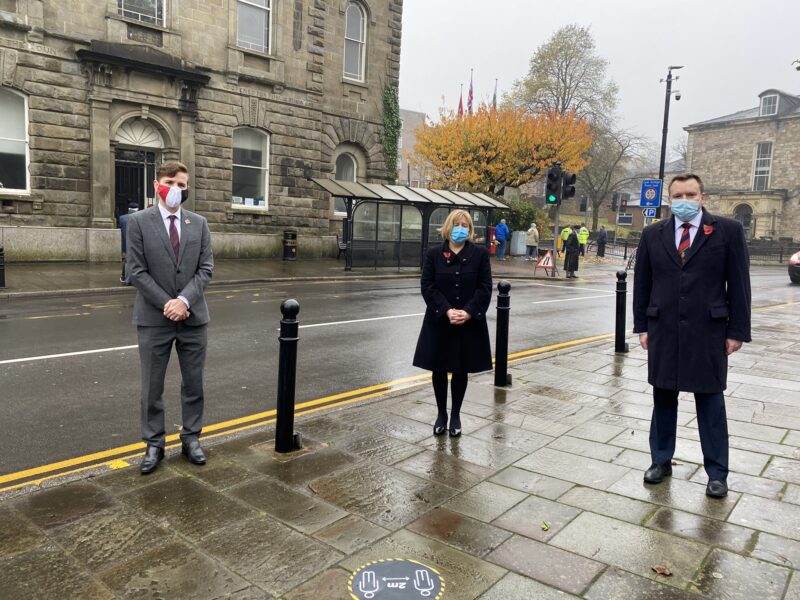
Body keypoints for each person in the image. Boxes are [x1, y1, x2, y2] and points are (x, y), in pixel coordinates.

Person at [633, 174, 751, 499]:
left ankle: (716, 472)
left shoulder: (727, 231)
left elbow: (739, 285)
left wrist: (738, 331)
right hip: (663, 330)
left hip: (709, 331)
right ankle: (660, 460)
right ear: (669, 199)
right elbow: (642, 283)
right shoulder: (652, 234)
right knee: (663, 396)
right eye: (678, 195)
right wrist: (641, 326)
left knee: (710, 401)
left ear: (702, 196)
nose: (684, 200)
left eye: (690, 194)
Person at [126, 161, 214, 474]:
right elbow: (135, 271)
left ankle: (192, 438)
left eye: (182, 184)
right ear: (156, 184)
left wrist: (185, 300)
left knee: (194, 384)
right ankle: (154, 443)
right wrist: (169, 303)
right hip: (154, 319)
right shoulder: (138, 222)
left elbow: (206, 269)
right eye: (170, 182)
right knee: (152, 386)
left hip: (193, 318)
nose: (176, 189)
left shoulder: (199, 223)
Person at [413, 209, 492, 438]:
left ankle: (455, 414)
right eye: (457, 224)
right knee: (439, 369)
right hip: (440, 321)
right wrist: (446, 310)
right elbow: (428, 286)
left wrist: (468, 312)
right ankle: (441, 414)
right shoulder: (434, 254)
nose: (461, 229)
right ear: (448, 227)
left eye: (465, 225)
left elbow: (485, 287)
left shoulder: (479, 254)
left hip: (467, 323)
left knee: (460, 369)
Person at [118, 200, 139, 284]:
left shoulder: (122, 218)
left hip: (125, 244)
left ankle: (124, 277)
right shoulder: (139, 217)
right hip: (136, 244)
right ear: (137, 209)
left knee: (126, 261)